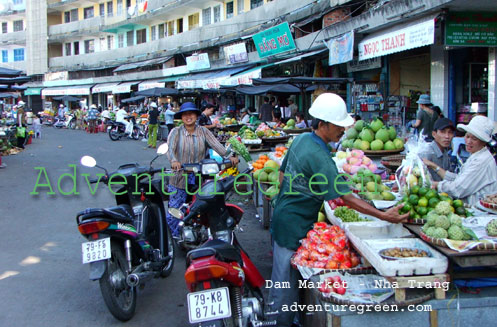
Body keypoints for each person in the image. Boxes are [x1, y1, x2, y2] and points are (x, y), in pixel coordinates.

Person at [269, 93, 408, 327]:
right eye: (338, 126)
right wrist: (384, 215)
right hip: (293, 225)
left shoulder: (302, 139)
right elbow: (346, 197)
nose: (343, 130)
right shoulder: (320, 154)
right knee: (285, 286)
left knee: (287, 280)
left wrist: (302, 192)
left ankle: (290, 319)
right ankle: (278, 323)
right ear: (323, 124)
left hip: (286, 216)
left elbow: (283, 176)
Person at [165, 102, 239, 237]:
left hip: (200, 177)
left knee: (205, 206)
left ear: (196, 116)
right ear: (181, 117)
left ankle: (203, 234)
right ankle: (175, 238)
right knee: (175, 210)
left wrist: (230, 157)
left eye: (191, 114)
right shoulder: (175, 132)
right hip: (179, 177)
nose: (188, 117)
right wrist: (174, 161)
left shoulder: (204, 131)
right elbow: (170, 150)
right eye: (185, 114)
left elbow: (217, 146)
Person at [424, 115, 497, 205]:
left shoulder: (481, 161)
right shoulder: (475, 155)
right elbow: (460, 178)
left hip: (480, 211)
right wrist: (434, 167)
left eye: (474, 139)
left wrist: (436, 185)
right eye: (467, 136)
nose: (469, 141)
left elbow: (458, 189)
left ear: (483, 142)